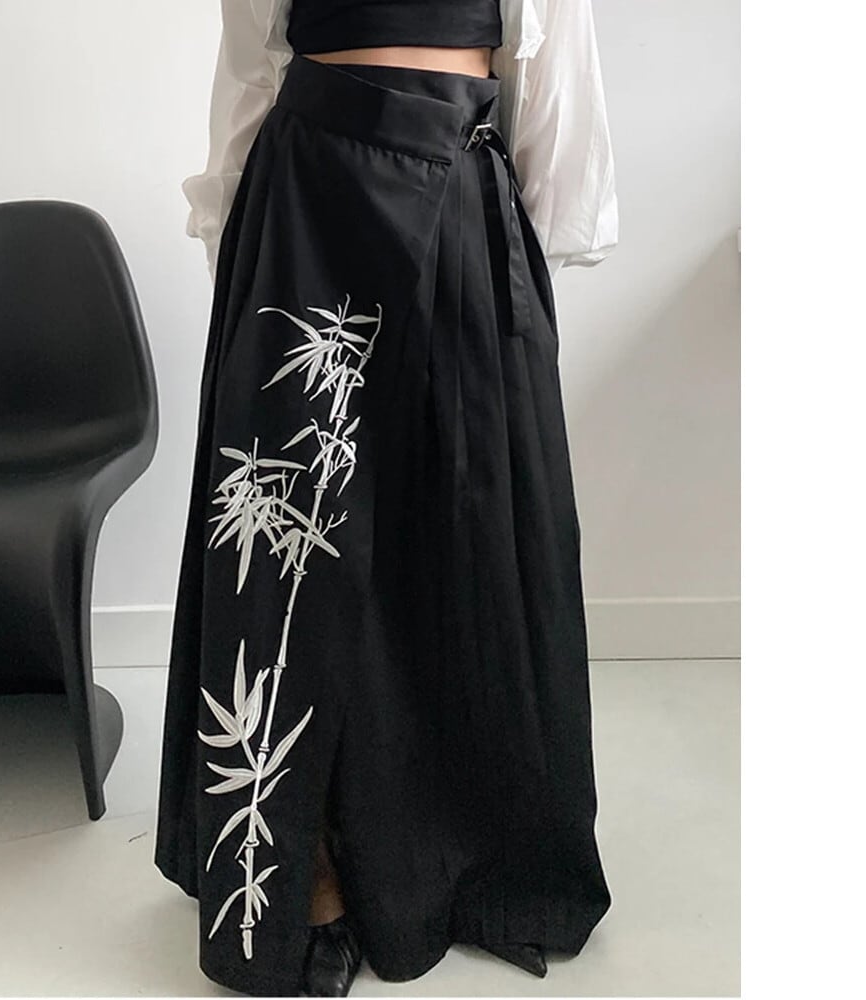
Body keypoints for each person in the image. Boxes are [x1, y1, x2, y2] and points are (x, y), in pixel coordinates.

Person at [154, 1, 618, 996]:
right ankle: (306, 873)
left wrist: (526, 245)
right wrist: (237, 239)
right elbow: (254, 62)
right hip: (307, 207)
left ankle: (481, 857)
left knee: (477, 528)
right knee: (299, 555)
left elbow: (549, 62)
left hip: (461, 193)